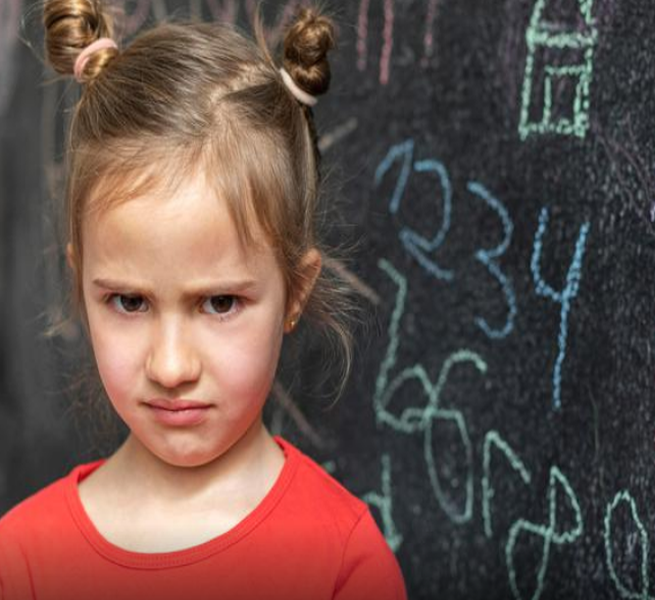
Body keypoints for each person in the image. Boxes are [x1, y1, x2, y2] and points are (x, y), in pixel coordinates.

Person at [0, 2, 407, 599]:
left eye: (219, 304)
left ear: (295, 291)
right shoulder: (23, 560)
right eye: (129, 302)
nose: (170, 368)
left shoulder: (343, 564)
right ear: (81, 284)